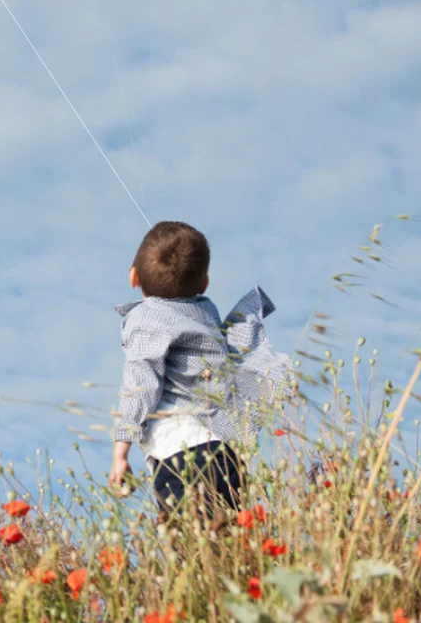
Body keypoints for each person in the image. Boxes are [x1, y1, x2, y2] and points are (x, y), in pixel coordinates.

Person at [108, 221, 292, 525]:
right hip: (225, 452)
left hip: (182, 454)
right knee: (229, 544)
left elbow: (141, 385)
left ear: (133, 276)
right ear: (204, 284)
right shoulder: (205, 311)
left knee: (193, 547)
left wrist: (121, 450)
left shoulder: (144, 320)